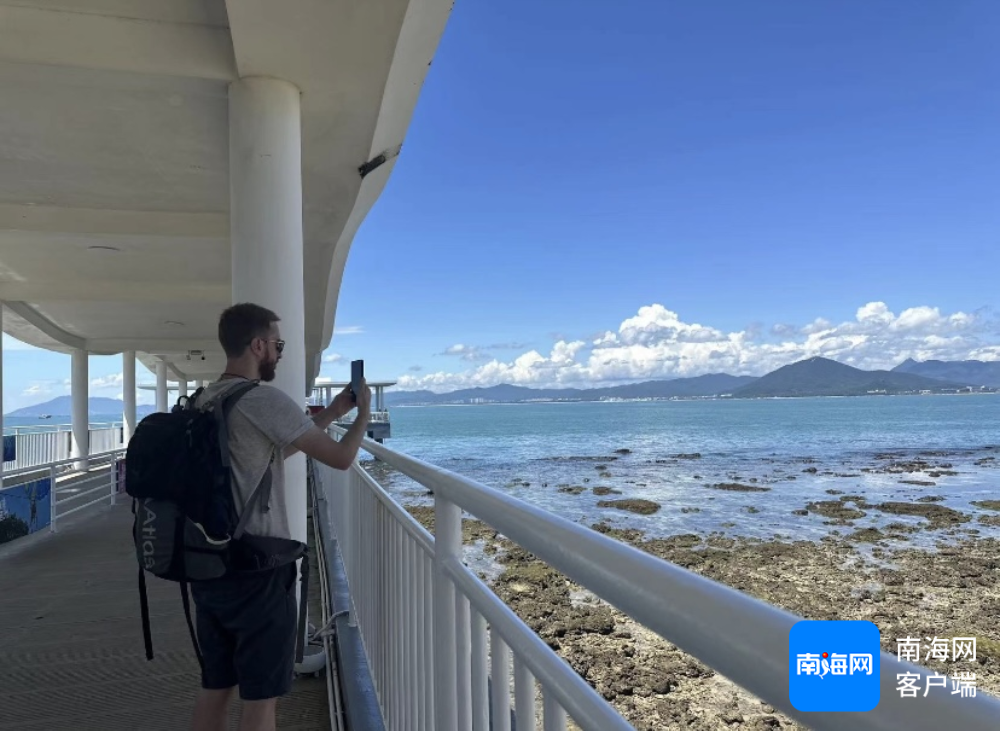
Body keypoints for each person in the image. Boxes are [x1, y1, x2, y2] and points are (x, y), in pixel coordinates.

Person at [189, 302, 371, 732]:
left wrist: (332, 415)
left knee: (215, 690)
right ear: (258, 345)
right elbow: (343, 459)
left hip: (206, 560)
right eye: (278, 343)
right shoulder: (263, 399)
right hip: (257, 569)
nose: (281, 352)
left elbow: (272, 453)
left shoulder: (205, 398)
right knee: (261, 701)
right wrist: (363, 415)